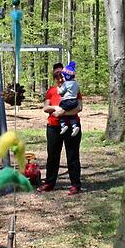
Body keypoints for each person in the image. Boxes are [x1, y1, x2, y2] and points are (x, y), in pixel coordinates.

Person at [39, 63, 83, 195]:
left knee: (72, 156)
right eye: (56, 76)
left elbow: (78, 108)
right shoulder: (51, 91)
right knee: (52, 156)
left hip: (71, 127)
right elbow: (46, 107)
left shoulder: (74, 88)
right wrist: (55, 109)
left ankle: (75, 184)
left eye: (61, 76)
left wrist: (62, 112)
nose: (59, 79)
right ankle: (49, 183)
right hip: (53, 127)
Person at [57, 61, 81, 136]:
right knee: (72, 115)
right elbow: (78, 91)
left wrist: (58, 89)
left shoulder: (65, 84)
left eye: (63, 76)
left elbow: (60, 92)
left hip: (67, 101)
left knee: (61, 112)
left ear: (67, 76)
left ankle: (63, 125)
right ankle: (74, 126)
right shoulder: (76, 83)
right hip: (74, 101)